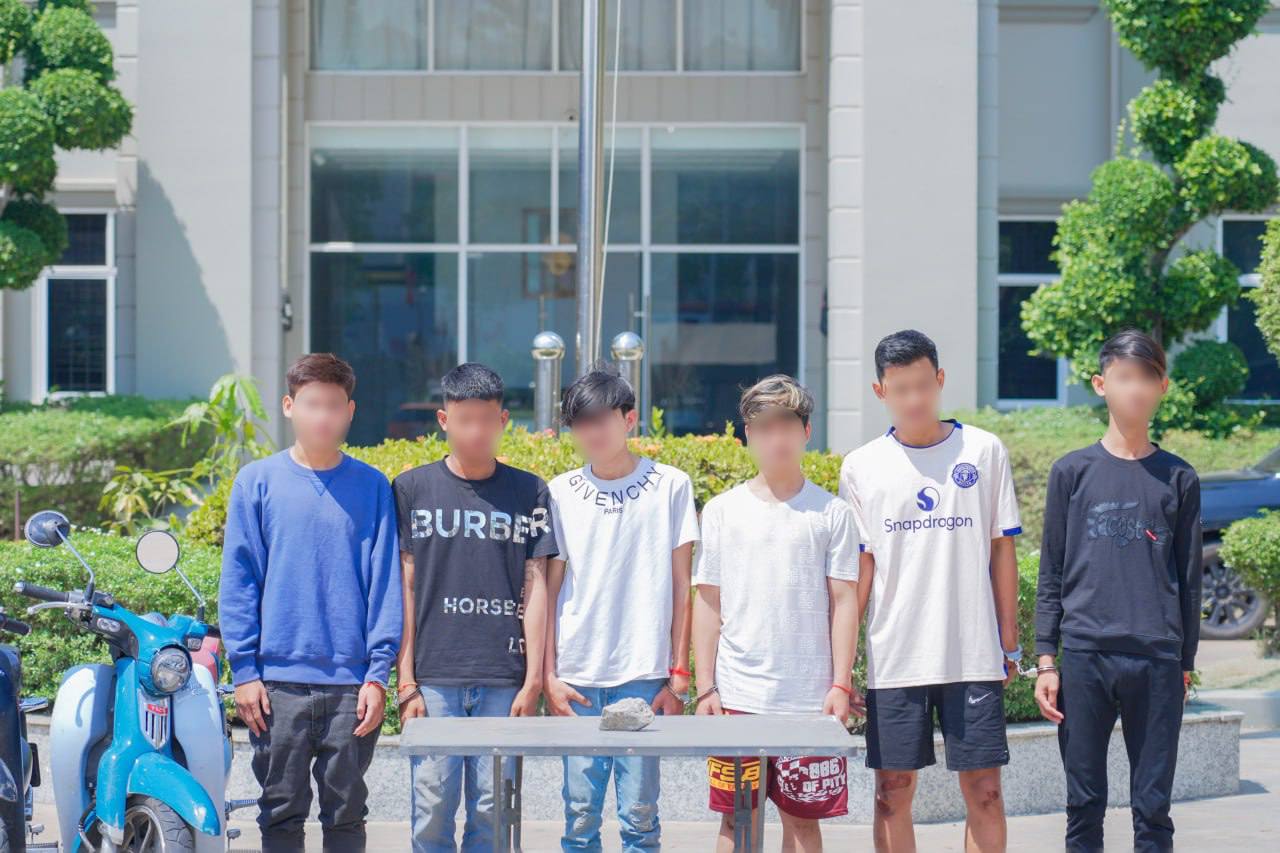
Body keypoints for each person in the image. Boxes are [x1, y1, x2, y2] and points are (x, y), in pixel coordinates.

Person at [839, 329, 1022, 853]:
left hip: (972, 654)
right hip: (896, 657)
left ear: (940, 380)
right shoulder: (861, 466)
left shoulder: (983, 450)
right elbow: (860, 572)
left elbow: (1002, 551)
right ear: (881, 391)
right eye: (900, 389)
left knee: (985, 792)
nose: (914, 399)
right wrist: (844, 668)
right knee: (891, 793)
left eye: (923, 385)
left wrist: (1009, 643)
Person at [220, 353, 402, 853]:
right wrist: (245, 672)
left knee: (346, 814)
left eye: (334, 406)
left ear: (350, 411)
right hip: (275, 685)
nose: (323, 416)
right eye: (312, 404)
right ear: (289, 406)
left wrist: (377, 675)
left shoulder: (372, 486)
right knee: (280, 813)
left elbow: (385, 584)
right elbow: (239, 581)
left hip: (351, 685)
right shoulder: (256, 482)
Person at [1034, 330, 1202, 853]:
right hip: (1086, 655)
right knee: (1084, 804)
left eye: (1147, 377)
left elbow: (1189, 577)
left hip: (1156, 657)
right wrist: (1046, 659)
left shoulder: (1178, 477)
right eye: (1124, 377)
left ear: (1162, 387)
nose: (1135, 389)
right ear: (1100, 384)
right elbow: (1052, 569)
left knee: (1153, 808)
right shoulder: (1071, 472)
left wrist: (1185, 661)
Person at [394, 363, 558, 852]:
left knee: (494, 812)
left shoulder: (530, 491)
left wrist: (532, 681)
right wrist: (405, 681)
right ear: (444, 420)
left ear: (504, 420)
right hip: (435, 677)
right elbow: (404, 587)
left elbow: (537, 586)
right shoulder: (412, 488)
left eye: (487, 419)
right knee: (431, 811)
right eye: (464, 419)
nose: (476, 431)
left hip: (503, 678)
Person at [693, 375, 860, 853]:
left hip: (809, 701)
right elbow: (707, 601)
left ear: (806, 431)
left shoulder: (832, 513)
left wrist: (840, 685)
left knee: (803, 825)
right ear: (747, 434)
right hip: (737, 696)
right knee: (735, 821)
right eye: (764, 427)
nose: (776, 438)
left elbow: (844, 601)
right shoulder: (722, 511)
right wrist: (706, 687)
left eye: (787, 425)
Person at [543, 367, 699, 851]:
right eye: (579, 423)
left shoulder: (671, 486)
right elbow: (549, 588)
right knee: (579, 816)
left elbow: (683, 586)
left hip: (644, 675)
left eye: (600, 419)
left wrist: (678, 675)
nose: (590, 432)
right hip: (577, 675)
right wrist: (548, 675)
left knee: (639, 816)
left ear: (629, 419)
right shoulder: (559, 491)